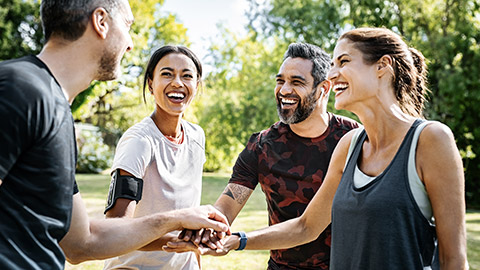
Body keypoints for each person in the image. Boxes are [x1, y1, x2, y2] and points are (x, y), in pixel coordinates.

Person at [185, 27, 468, 269]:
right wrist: (229, 237)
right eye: (332, 65)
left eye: (343, 62)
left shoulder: (430, 140)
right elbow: (306, 226)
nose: (333, 75)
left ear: (383, 66)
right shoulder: (349, 146)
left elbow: (454, 259)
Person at [0, 1, 229, 269]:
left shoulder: (57, 111)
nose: (130, 44)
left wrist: (179, 220)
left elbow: (82, 243)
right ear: (101, 21)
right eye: (128, 25)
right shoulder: (19, 89)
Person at [166, 42, 359, 269]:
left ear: (324, 88)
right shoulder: (261, 146)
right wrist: (202, 231)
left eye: (296, 82)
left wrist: (238, 241)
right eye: (280, 81)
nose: (284, 90)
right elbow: (224, 210)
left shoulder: (354, 139)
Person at [103, 45, 206, 269]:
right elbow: (116, 229)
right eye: (167, 74)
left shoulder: (197, 137)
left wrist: (194, 255)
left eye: (187, 76)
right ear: (151, 84)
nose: (178, 83)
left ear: (196, 86)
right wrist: (181, 241)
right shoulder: (139, 142)